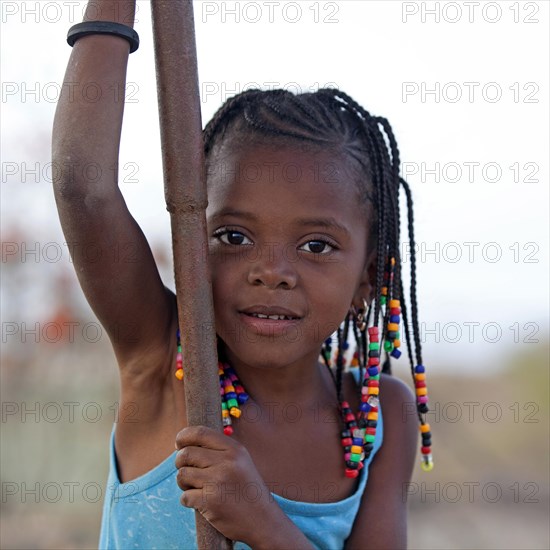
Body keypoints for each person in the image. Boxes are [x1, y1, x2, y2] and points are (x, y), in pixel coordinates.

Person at [53, 2, 433, 548]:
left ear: (367, 281)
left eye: (316, 245)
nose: (272, 272)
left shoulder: (377, 419)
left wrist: (261, 523)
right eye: (234, 237)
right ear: (193, 247)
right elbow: (82, 189)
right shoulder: (162, 359)